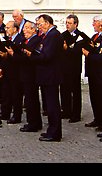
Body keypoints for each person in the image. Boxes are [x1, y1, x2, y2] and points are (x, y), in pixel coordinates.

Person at [25, 14, 64, 142]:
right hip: (46, 75)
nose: (39, 27)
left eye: (40, 24)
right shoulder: (49, 35)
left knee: (53, 105)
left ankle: (55, 133)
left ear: (47, 23)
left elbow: (47, 56)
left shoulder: (53, 35)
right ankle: (51, 130)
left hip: (51, 75)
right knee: (49, 105)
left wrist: (32, 55)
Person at [9, 20, 42, 133]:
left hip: (31, 74)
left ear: (33, 30)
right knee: (29, 99)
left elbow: (28, 57)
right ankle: (34, 122)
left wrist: (14, 54)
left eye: (28, 28)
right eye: (24, 28)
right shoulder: (24, 40)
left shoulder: (35, 40)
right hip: (23, 73)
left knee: (31, 99)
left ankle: (33, 123)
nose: (25, 30)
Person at [60, 14, 90, 123]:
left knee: (75, 91)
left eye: (70, 23)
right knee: (64, 90)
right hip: (64, 67)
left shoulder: (80, 36)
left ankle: (76, 114)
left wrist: (66, 49)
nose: (67, 25)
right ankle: (66, 110)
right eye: (66, 23)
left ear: (75, 24)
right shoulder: (63, 35)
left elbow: (76, 51)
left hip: (74, 67)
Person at [0, 20, 23, 125]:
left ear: (15, 29)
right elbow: (4, 55)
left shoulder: (20, 39)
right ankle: (5, 112)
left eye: (8, 28)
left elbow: (19, 57)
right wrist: (0, 68)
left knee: (16, 94)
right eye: (6, 28)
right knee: (5, 92)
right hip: (6, 69)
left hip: (16, 71)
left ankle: (16, 116)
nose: (6, 30)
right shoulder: (7, 39)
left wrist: (9, 55)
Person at [84, 15, 102, 130]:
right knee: (94, 97)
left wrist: (90, 52)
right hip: (92, 71)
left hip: (99, 73)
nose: (93, 24)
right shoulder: (94, 36)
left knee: (100, 97)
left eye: (95, 22)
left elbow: (99, 53)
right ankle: (97, 118)